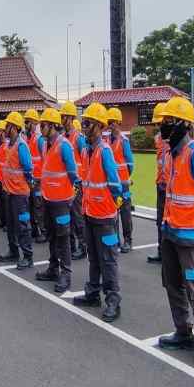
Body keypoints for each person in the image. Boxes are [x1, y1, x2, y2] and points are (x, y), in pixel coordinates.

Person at [155, 97, 194, 371]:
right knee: (172, 284)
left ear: (182, 124)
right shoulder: (171, 153)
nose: (163, 127)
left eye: (168, 122)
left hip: (191, 236)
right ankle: (183, 332)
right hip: (171, 231)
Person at [72, 104, 125, 322]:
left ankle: (113, 299)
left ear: (99, 126)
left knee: (108, 259)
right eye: (83, 123)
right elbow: (86, 181)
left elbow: (115, 185)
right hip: (89, 213)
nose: (84, 128)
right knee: (93, 256)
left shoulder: (104, 152)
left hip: (105, 217)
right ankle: (93, 292)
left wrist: (111, 207)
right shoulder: (87, 151)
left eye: (87, 124)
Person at [35, 108, 80, 293]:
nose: (41, 128)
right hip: (48, 200)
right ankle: (53, 268)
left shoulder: (64, 145)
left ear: (53, 126)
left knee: (63, 237)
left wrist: (69, 195)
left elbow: (72, 174)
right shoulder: (46, 144)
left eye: (43, 125)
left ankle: (66, 274)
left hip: (62, 202)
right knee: (52, 236)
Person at [0, 111, 35, 270]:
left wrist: (26, 186)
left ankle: (28, 256)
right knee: (12, 225)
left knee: (22, 225)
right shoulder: (9, 145)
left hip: (20, 194)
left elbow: (28, 168)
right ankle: (13, 251)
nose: (5, 128)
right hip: (10, 192)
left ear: (13, 127)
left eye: (7, 125)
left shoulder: (21, 145)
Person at [60, 102, 88, 261]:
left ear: (70, 118)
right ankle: (71, 245)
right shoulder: (63, 138)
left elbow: (85, 162)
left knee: (78, 217)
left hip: (77, 184)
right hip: (66, 184)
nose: (62, 119)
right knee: (68, 217)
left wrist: (81, 182)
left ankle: (82, 247)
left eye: (64, 116)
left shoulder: (79, 138)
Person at [106, 107, 135, 253]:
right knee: (113, 213)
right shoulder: (106, 140)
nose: (110, 125)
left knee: (125, 213)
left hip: (123, 184)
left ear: (118, 122)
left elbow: (130, 163)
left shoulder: (124, 141)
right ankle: (116, 240)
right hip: (112, 184)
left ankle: (128, 240)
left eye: (112, 122)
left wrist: (125, 178)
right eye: (108, 122)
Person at [148, 102, 168, 264]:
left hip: (172, 187)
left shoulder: (175, 140)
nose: (159, 126)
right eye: (157, 123)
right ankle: (162, 252)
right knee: (160, 220)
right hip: (160, 184)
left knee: (171, 221)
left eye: (161, 122)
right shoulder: (158, 139)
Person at [23, 108, 46, 243]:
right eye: (25, 122)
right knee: (31, 205)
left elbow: (45, 159)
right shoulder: (28, 138)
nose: (26, 125)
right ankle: (34, 230)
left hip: (39, 179)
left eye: (27, 122)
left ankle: (43, 231)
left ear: (33, 123)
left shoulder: (39, 140)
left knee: (39, 207)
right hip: (31, 179)